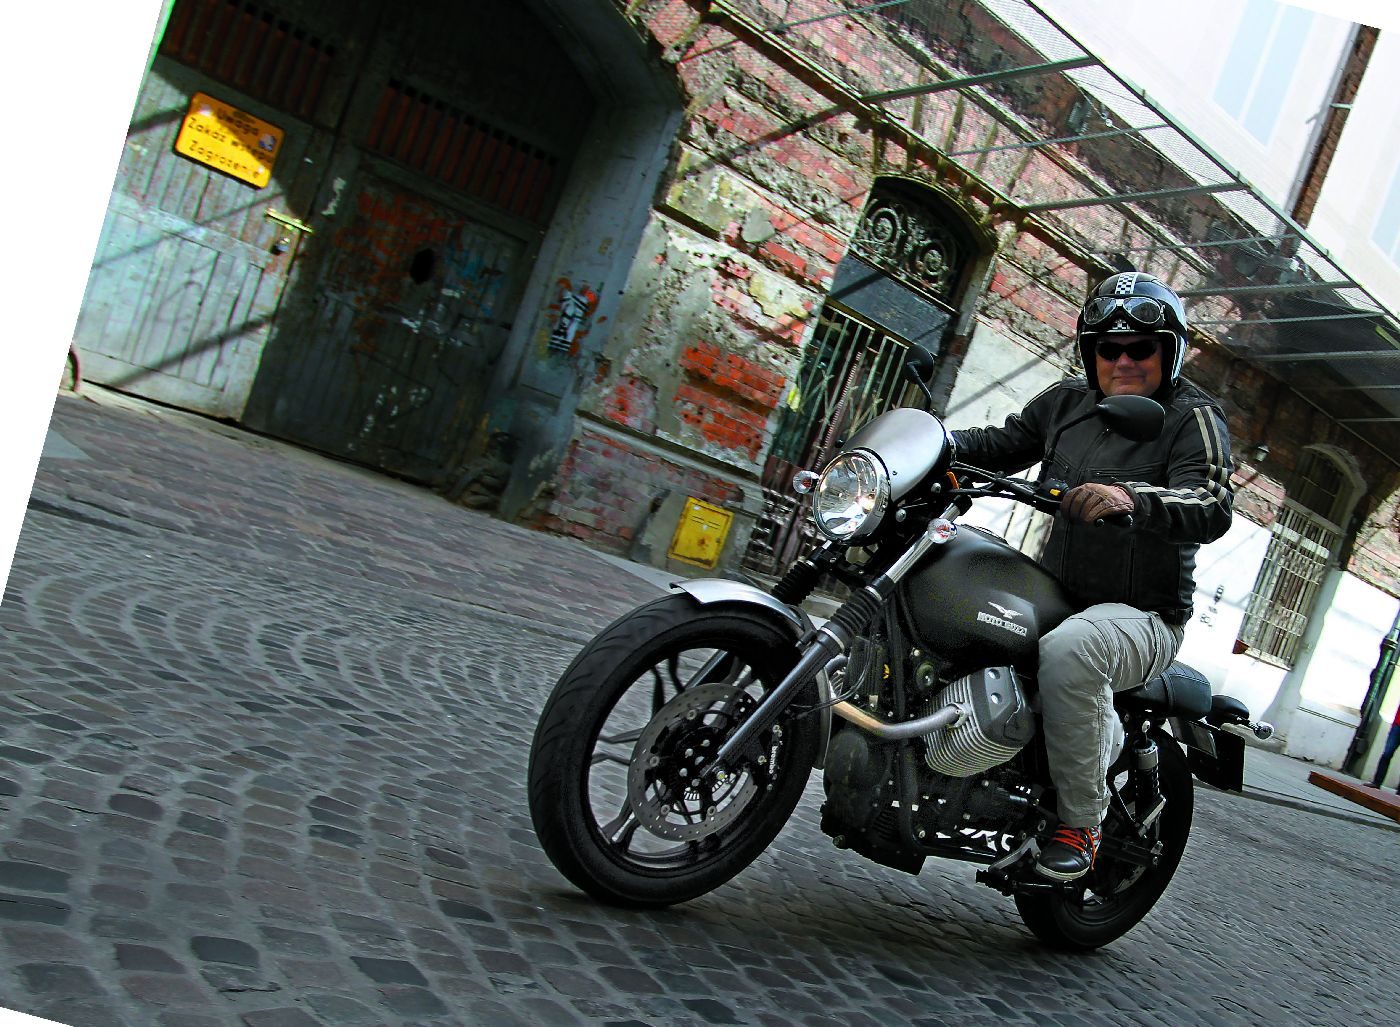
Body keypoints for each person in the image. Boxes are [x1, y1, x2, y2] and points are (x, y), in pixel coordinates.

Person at [951, 271, 1234, 881]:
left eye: (1141, 348)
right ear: (1090, 353)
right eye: (1109, 349)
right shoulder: (1065, 404)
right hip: (1057, 594)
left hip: (1144, 618)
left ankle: (1080, 822)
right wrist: (930, 439)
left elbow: (1210, 503)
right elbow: (999, 444)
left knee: (1073, 649)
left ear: (1169, 352)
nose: (1124, 361)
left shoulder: (1192, 418)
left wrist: (1132, 499)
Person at [1368, 703, 1400, 791]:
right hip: (1397, 726)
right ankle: (1377, 782)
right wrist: (1394, 724)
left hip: (1397, 726)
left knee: (1387, 754)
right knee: (1387, 754)